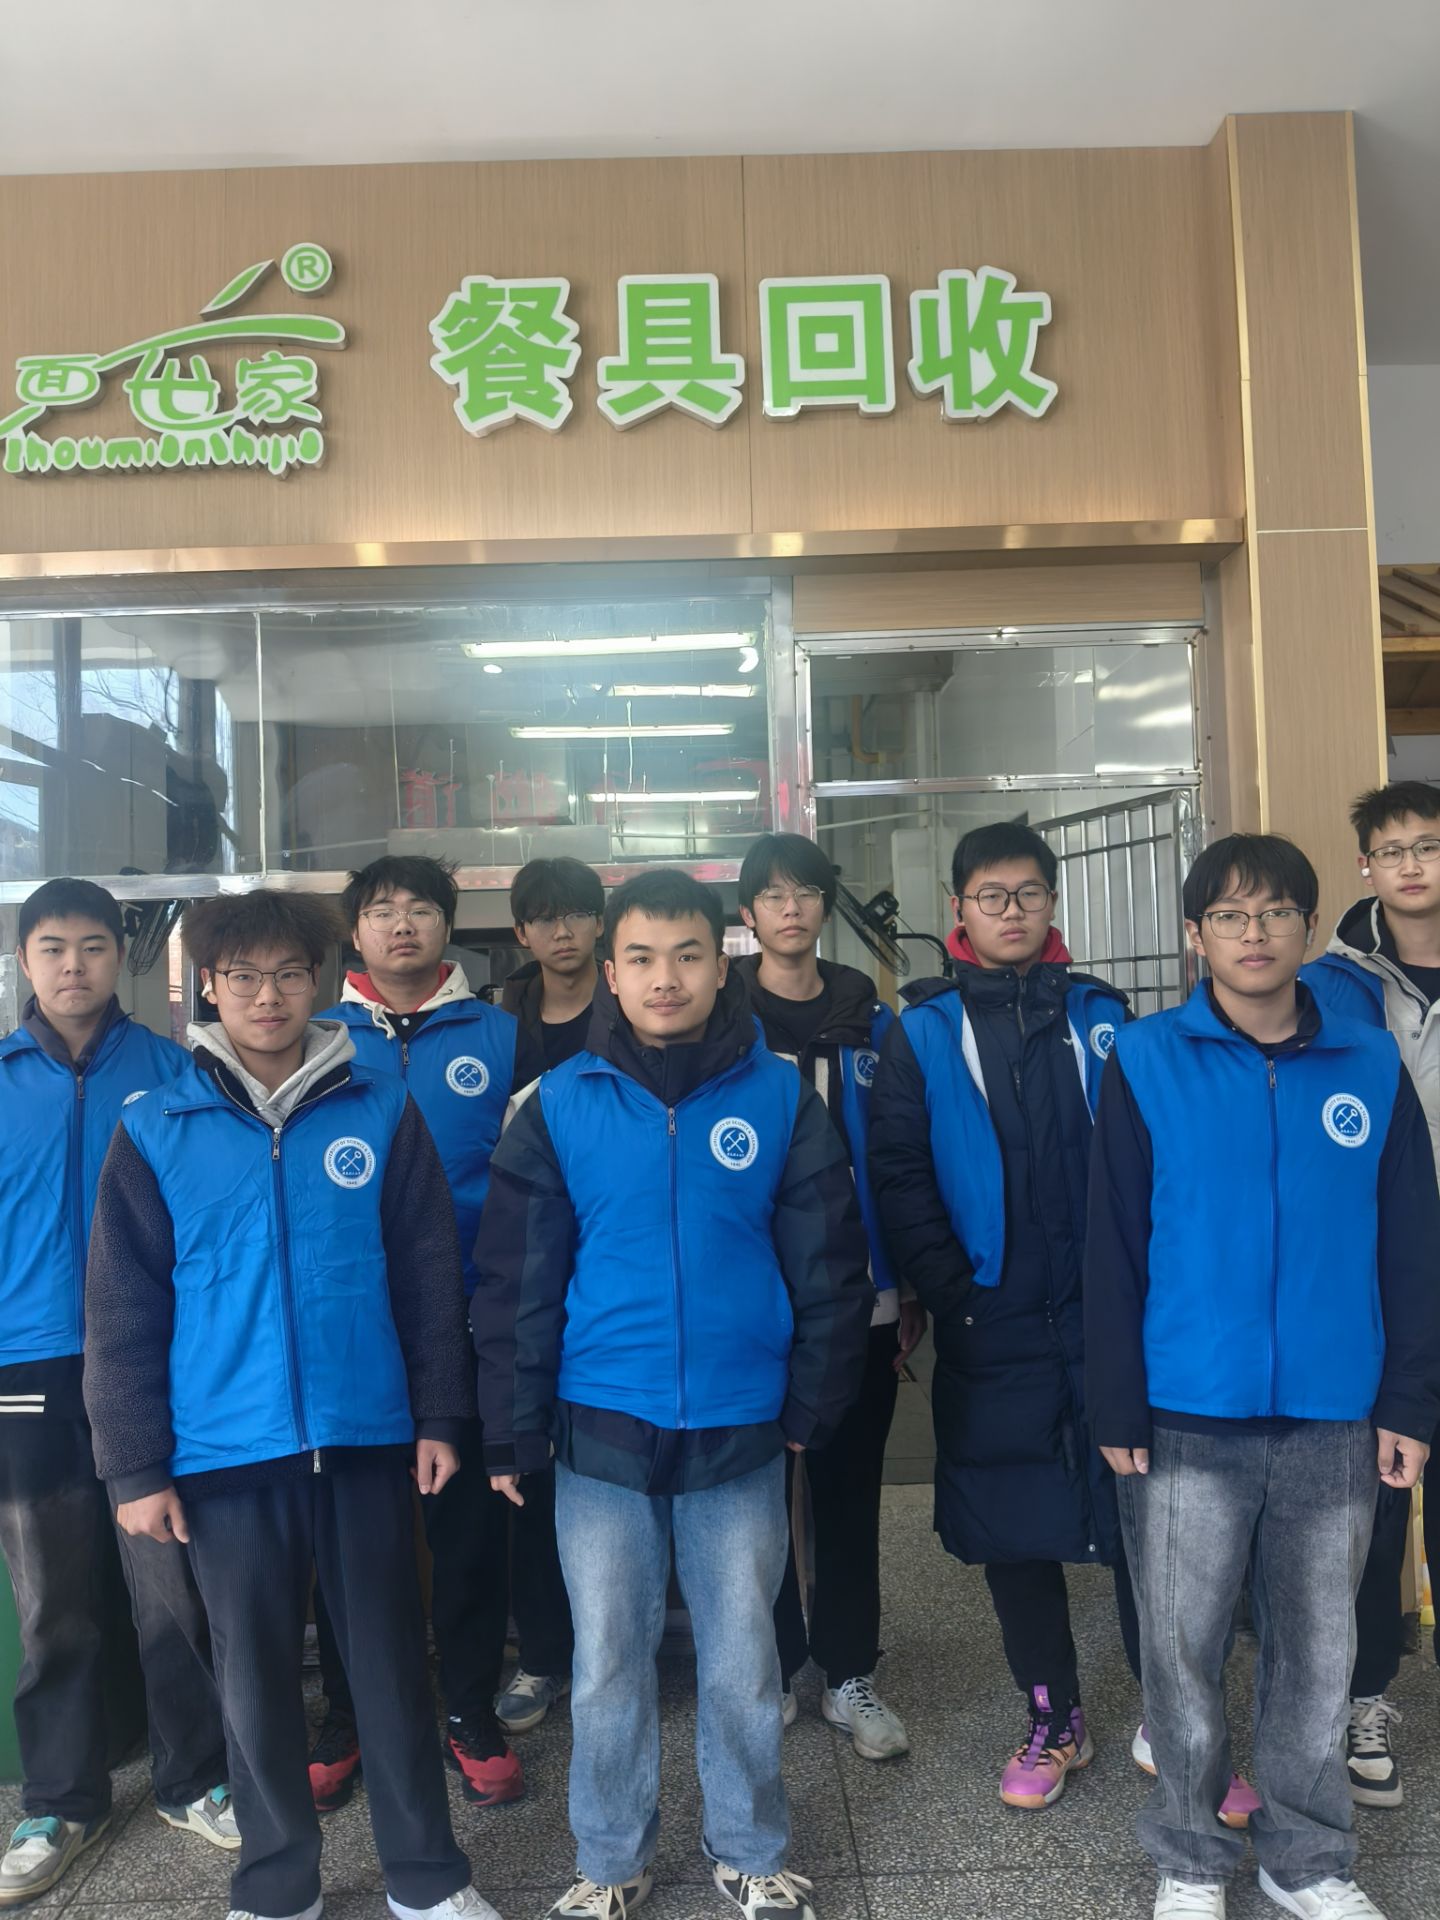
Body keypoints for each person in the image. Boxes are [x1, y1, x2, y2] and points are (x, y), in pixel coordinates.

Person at [83, 890, 497, 1920]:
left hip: (365, 1436)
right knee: (255, 1681)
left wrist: (440, 1415)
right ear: (208, 986)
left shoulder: (381, 1109)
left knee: (391, 1666)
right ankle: (275, 1886)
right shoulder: (156, 1128)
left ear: (318, 981)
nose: (266, 996)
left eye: (287, 974)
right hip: (222, 1452)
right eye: (244, 977)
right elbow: (123, 1311)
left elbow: (427, 1274)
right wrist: (135, 1466)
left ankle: (427, 1880)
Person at [473, 869, 873, 1920]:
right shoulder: (557, 1105)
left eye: (688, 955)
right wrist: (510, 1430)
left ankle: (749, 1847)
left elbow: (829, 1265)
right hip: (600, 1426)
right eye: (643, 958)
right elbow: (516, 1284)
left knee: (744, 1659)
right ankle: (610, 1861)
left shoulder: (779, 1096)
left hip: (740, 1428)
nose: (666, 978)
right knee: (609, 1659)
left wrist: (812, 1404)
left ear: (721, 963)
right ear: (610, 972)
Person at [1085, 832, 1440, 1920]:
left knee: (1319, 1654)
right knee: (1181, 1652)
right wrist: (1115, 1398)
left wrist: (1409, 1399)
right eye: (1231, 916)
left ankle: (1307, 1859)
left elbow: (1411, 1245)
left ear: (1307, 927)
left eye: (1277, 912)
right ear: (1196, 936)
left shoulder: (1369, 1061)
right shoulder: (1146, 1059)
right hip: (1185, 1410)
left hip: (1337, 1412)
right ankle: (1192, 1859)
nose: (1255, 933)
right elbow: (1112, 1244)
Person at [868, 821, 1154, 1813]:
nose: (1013, 911)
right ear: (959, 909)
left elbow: (1152, 1154)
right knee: (1014, 1527)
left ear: (1052, 902)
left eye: (1030, 893)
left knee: (1142, 1518)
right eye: (992, 896)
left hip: (1111, 1315)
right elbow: (899, 1174)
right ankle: (1053, 1714)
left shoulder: (1104, 1016)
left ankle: (1174, 1713)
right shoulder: (922, 1031)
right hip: (993, 1318)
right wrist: (955, 1293)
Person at [0, 879, 234, 1908]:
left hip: (149, 1361)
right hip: (25, 1370)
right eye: (53, 947)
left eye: (93, 946)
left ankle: (194, 1777)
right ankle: (61, 1799)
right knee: (52, 1598)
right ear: (24, 960)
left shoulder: (173, 1073)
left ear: (119, 958)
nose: (73, 965)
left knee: (169, 1588)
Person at [309, 855, 545, 1812]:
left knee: (470, 1525)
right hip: (352, 1319)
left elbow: (535, 1180)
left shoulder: (503, 1035)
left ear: (450, 926)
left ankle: (467, 1707)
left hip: (475, 1314)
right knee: (350, 1526)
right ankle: (349, 1713)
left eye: (420, 909)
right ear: (354, 931)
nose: (400, 925)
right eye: (380, 911)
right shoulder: (315, 1037)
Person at [733, 832, 923, 1761]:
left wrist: (907, 1284)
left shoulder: (872, 1022)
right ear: (747, 916)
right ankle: (770, 1666)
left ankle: (849, 1671)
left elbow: (898, 1160)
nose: (791, 908)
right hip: (749, 1301)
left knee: (849, 1491)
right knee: (755, 1500)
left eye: (806, 892)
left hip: (859, 1296)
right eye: (772, 895)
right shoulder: (721, 1023)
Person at [1303, 781, 1440, 1810]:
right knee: (1378, 1497)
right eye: (1393, 850)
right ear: (1366, 867)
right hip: (1381, 1268)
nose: (1412, 865)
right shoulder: (1332, 982)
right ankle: (1365, 1697)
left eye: (1429, 846)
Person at [503, 855, 605, 1069]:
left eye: (577, 915)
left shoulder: (633, 1013)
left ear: (599, 923)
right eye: (545, 920)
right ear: (521, 934)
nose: (562, 933)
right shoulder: (503, 1026)